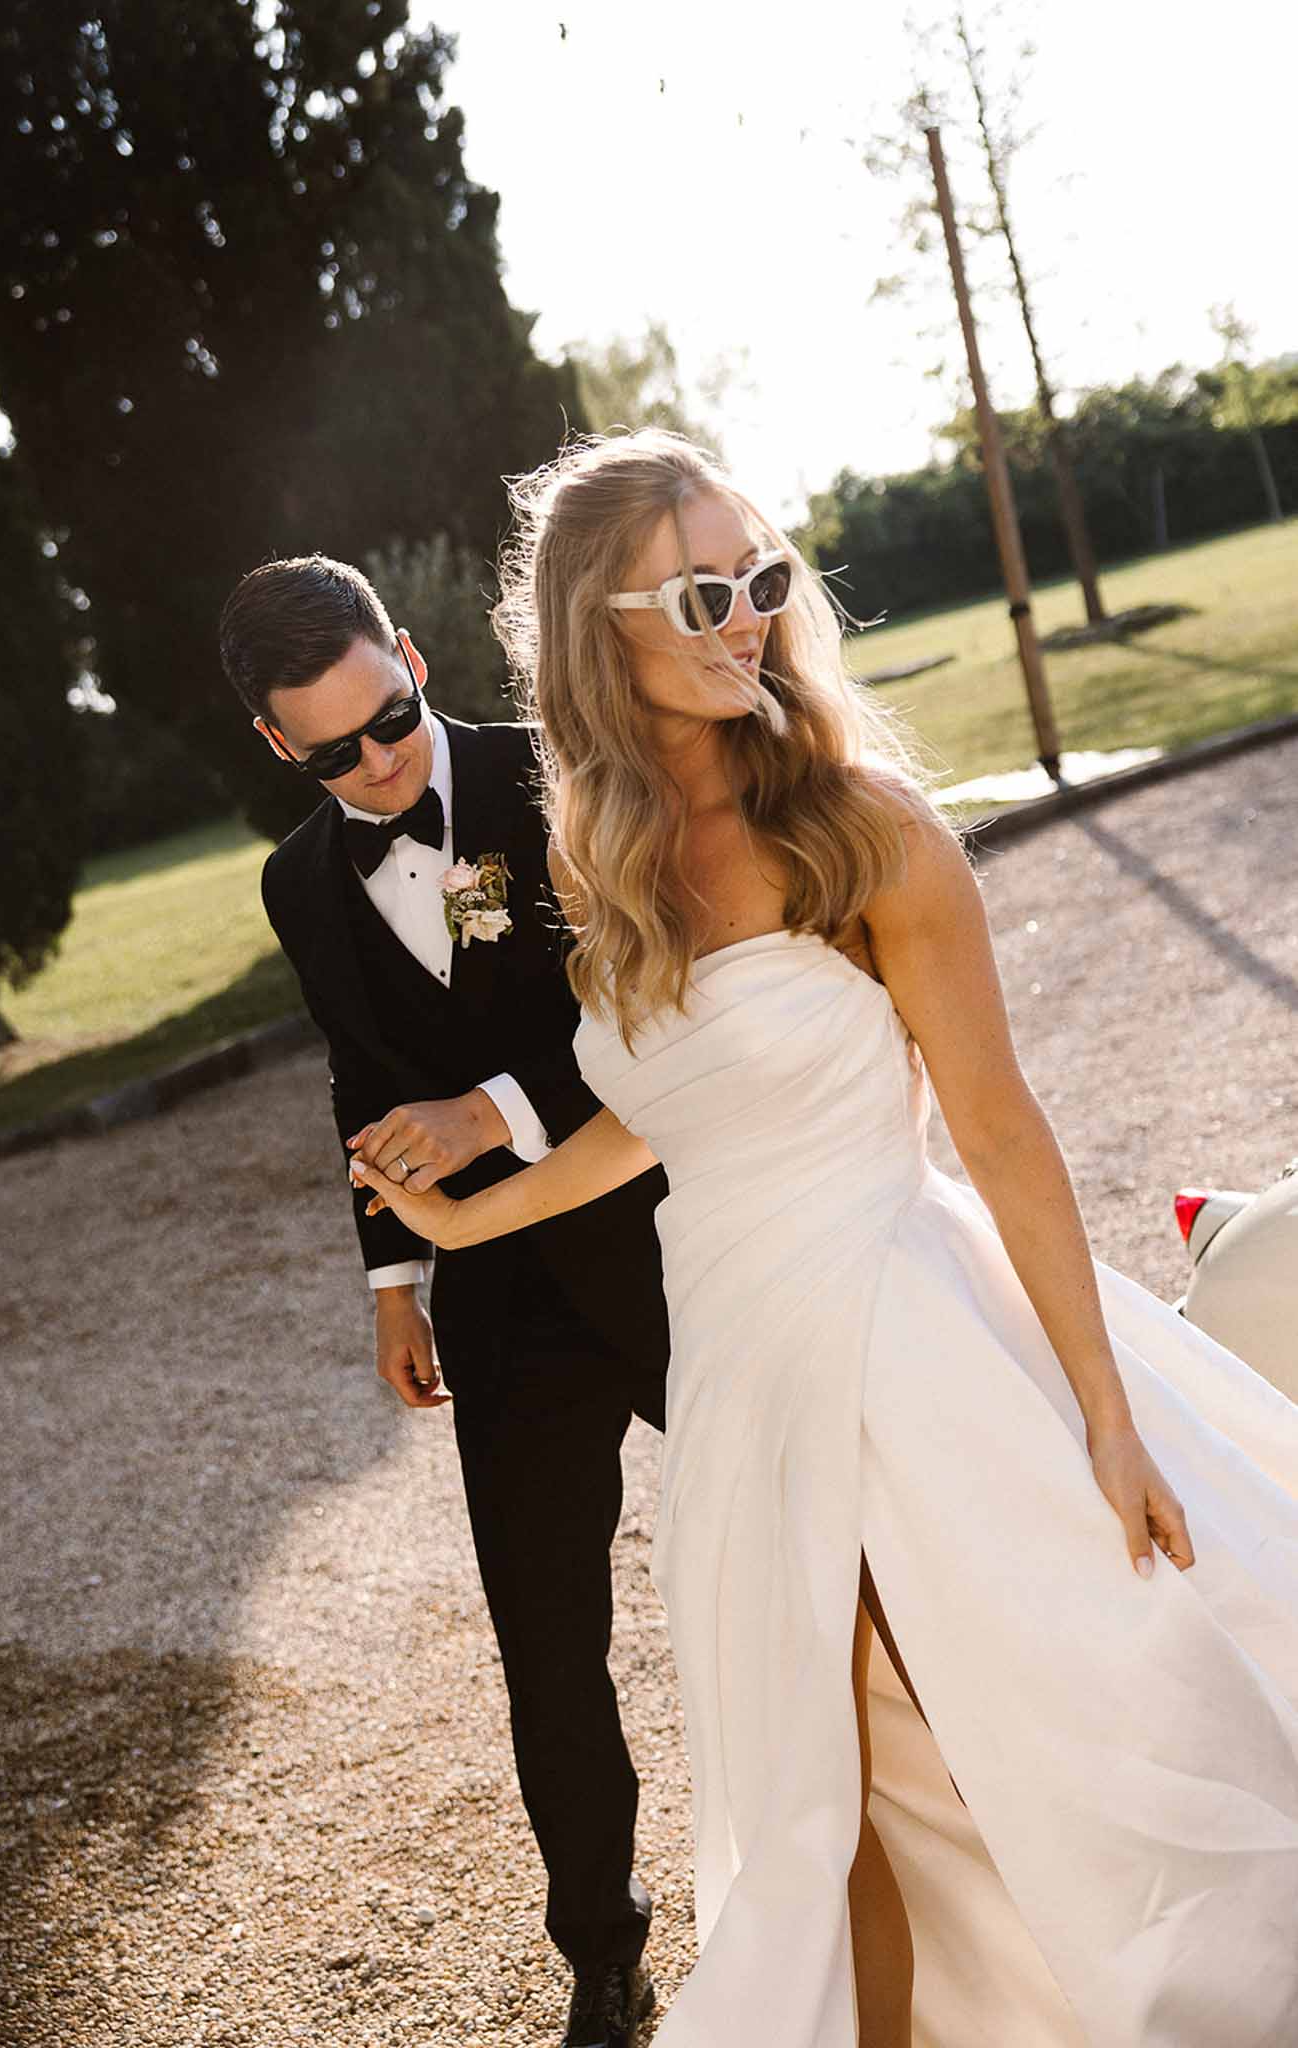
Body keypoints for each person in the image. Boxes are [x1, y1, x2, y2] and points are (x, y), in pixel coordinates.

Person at [348, 430, 1298, 2048]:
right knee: (815, 1787)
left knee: (1038, 1730)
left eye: (762, 580)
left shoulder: (866, 830)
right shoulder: (606, 849)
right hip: (735, 1373)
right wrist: (463, 1214)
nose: (747, 619)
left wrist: (1107, 1412)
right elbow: (667, 1114)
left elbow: (996, 1129)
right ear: (602, 629)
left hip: (902, 1338)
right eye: (703, 591)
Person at [218, 556, 671, 2048]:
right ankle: (601, 1953)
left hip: (678, 1241)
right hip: (496, 1298)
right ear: (281, 748)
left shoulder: (565, 770)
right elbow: (361, 1072)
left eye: (392, 717)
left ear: (409, 656)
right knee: (545, 1636)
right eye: (334, 750)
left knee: (831, 1528)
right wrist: (392, 1281)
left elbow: (665, 1002)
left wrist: (493, 1111)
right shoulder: (297, 883)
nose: (378, 760)